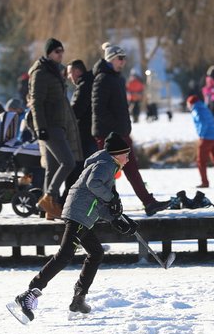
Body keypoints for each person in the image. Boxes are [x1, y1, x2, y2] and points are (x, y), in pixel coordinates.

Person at [9, 133, 138, 323]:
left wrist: (117, 219)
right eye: (126, 155)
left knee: (96, 253)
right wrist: (112, 199)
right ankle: (28, 295)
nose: (128, 159)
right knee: (65, 255)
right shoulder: (106, 165)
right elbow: (93, 185)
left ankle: (79, 299)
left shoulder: (105, 164)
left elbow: (96, 200)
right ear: (117, 155)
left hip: (82, 215)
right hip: (79, 215)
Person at [91, 43, 169, 216]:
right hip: (109, 136)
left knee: (131, 167)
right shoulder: (102, 78)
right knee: (107, 173)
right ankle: (106, 206)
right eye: (120, 58)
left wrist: (124, 129)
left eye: (124, 58)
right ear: (111, 59)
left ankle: (148, 202)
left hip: (121, 134)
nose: (123, 62)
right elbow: (99, 109)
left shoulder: (118, 78)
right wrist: (114, 132)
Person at [28, 38, 78, 220]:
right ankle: (49, 197)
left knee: (52, 167)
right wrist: (40, 127)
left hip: (57, 124)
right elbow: (36, 102)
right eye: (57, 51)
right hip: (49, 126)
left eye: (62, 51)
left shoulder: (55, 72)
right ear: (48, 53)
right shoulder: (41, 73)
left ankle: (50, 209)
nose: (60, 54)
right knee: (68, 162)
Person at [67, 59, 97, 158]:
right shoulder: (90, 82)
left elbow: (77, 110)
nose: (68, 77)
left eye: (69, 73)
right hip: (92, 131)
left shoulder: (84, 85)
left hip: (87, 133)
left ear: (77, 71)